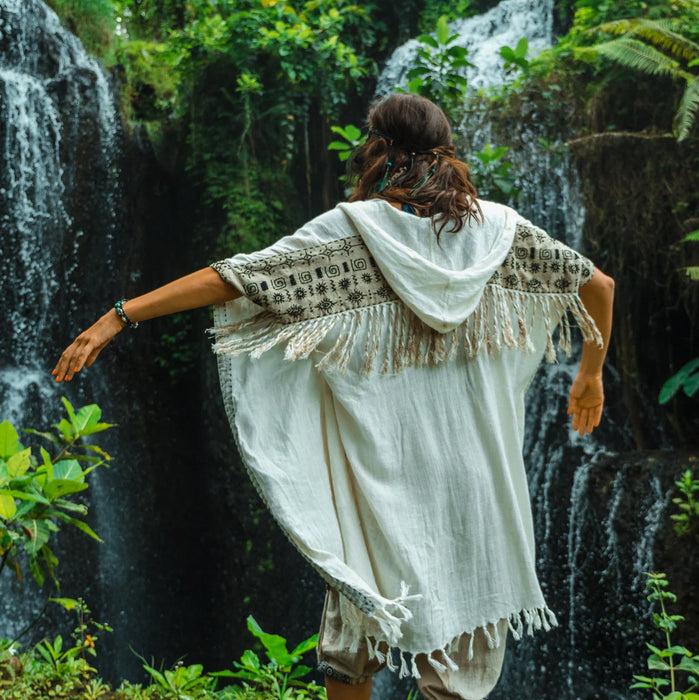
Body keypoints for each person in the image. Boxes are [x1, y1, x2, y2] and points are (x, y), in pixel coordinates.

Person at [54, 94, 614, 700]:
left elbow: (235, 278)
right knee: (458, 668)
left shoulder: (349, 236)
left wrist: (117, 316)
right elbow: (599, 285)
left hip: (380, 477)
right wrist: (591, 374)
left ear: (375, 149)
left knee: (352, 649)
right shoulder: (500, 234)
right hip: (474, 480)